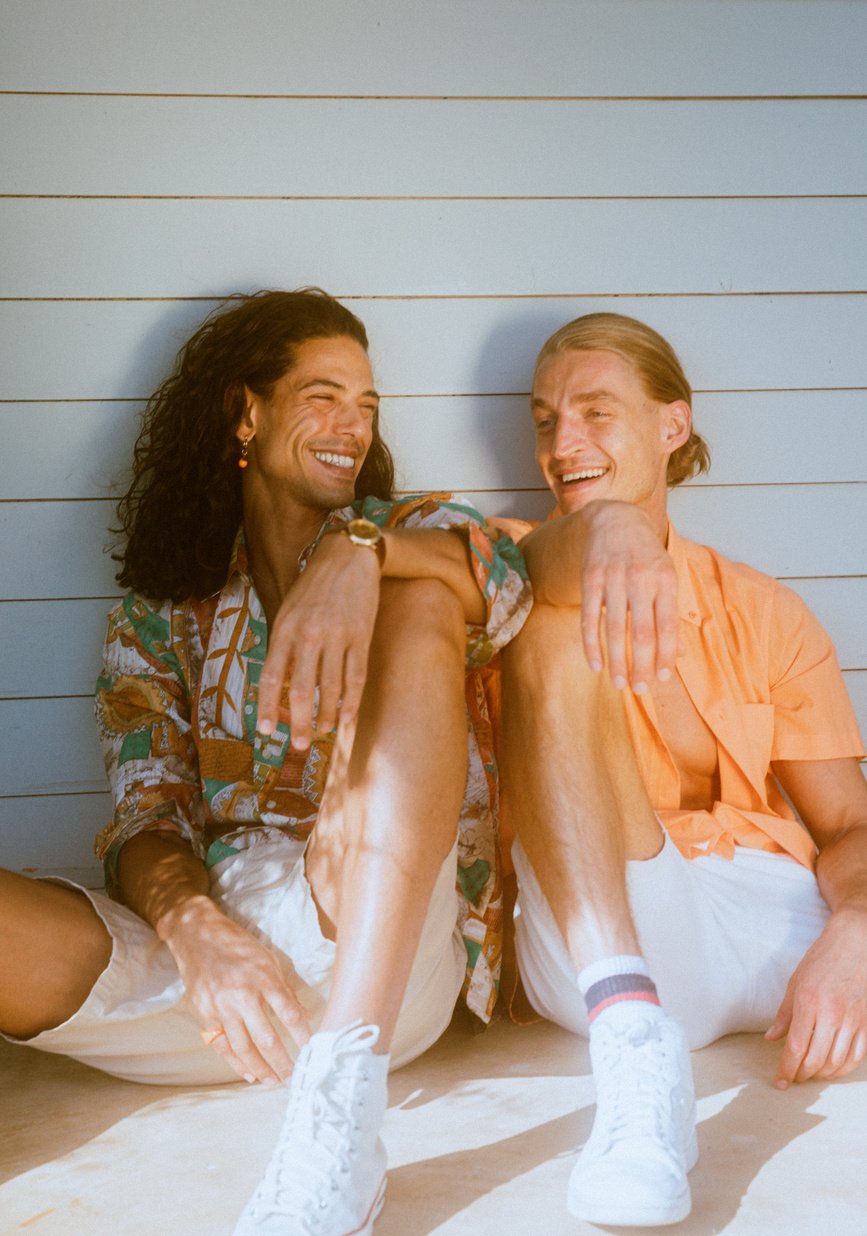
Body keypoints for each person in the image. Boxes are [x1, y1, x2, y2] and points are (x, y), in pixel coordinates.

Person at [0, 288, 531, 1235]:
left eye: (366, 405)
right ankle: (286, 1032)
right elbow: (145, 813)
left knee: (418, 604)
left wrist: (361, 553)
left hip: (385, 936)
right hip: (227, 955)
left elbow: (516, 576)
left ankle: (344, 1091)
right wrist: (201, 929)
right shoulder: (161, 616)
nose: (352, 427)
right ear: (247, 413)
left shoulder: (410, 528)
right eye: (323, 396)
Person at [494, 312, 867, 1227]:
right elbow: (427, 561)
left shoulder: (761, 609)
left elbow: (848, 827)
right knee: (547, 630)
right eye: (544, 420)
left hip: (766, 919)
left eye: (593, 411)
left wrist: (856, 929)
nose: (562, 444)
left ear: (673, 425)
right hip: (603, 935)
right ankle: (638, 1070)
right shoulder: (501, 564)